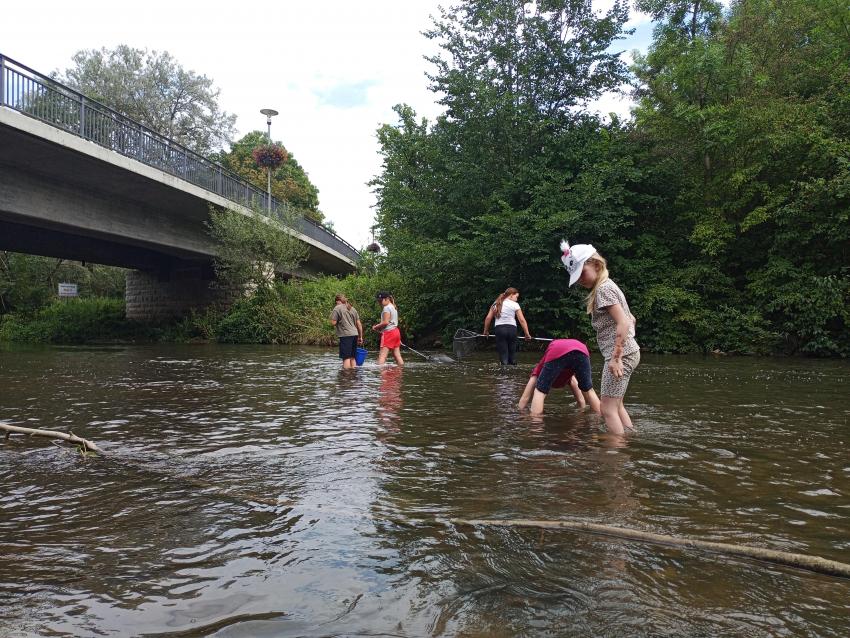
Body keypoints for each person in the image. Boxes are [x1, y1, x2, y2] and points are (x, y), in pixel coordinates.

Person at [561, 240, 639, 435]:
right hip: (629, 351)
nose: (580, 280)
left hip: (621, 356)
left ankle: (614, 455)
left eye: (582, 273)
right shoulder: (608, 286)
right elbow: (631, 319)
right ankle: (629, 437)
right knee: (617, 405)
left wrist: (616, 357)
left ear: (595, 264)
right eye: (576, 276)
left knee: (607, 409)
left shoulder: (603, 290)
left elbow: (623, 322)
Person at [518, 338, 600, 415]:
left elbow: (525, 398)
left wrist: (520, 412)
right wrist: (581, 412)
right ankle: (601, 419)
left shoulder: (538, 370)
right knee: (589, 390)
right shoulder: (570, 377)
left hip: (558, 349)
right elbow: (581, 400)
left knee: (540, 391)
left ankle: (535, 426)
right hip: (582, 349)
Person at [482, 287, 532, 365]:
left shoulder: (496, 303)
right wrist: (527, 334)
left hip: (500, 330)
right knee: (512, 357)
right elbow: (522, 320)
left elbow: (488, 318)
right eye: (516, 297)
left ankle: (504, 374)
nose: (517, 299)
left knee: (503, 356)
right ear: (511, 295)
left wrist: (486, 331)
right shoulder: (515, 304)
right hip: (512, 330)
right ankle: (512, 374)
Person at [330, 294, 364, 369]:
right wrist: (360, 337)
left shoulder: (337, 308)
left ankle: (346, 377)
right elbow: (359, 324)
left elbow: (333, 323)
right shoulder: (352, 308)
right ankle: (353, 375)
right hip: (355, 334)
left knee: (346, 358)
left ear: (337, 301)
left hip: (346, 335)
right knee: (352, 357)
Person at [372, 292, 404, 366]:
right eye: (378, 301)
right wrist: (380, 329)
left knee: (382, 355)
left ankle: (381, 375)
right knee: (397, 355)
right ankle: (402, 370)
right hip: (396, 332)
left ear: (387, 299)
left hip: (389, 333)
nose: (379, 303)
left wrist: (376, 327)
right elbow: (390, 322)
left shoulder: (386, 308)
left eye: (380, 301)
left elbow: (385, 322)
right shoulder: (393, 306)